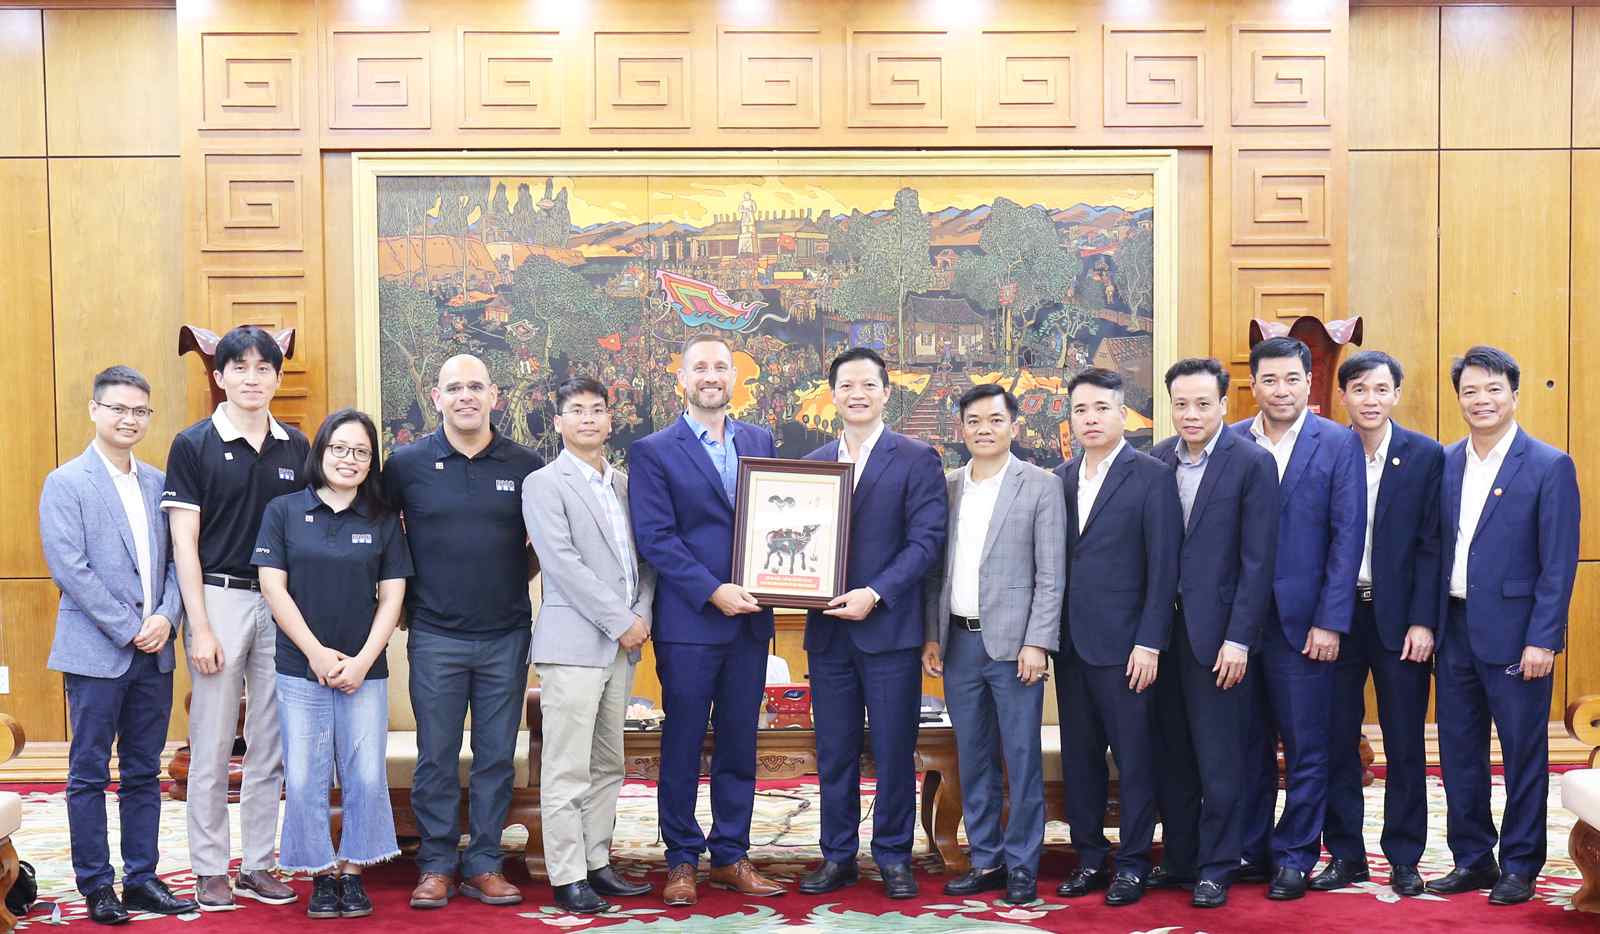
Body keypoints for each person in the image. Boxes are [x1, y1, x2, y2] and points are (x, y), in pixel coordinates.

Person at [628, 334, 785, 906]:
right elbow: (656, 539)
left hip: (749, 623)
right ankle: (681, 859)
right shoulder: (652, 450)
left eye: (721, 366)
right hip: (690, 623)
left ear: (734, 377)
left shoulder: (760, 440)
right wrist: (712, 590)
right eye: (700, 367)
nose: (711, 375)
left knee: (740, 742)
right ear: (682, 379)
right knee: (684, 743)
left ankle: (732, 855)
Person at [40, 366, 199, 924]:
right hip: (96, 651)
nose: (129, 419)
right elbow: (70, 568)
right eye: (118, 409)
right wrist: (129, 624)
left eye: (140, 411)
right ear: (94, 410)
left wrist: (165, 618)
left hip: (155, 650)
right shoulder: (66, 481)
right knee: (87, 772)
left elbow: (182, 561)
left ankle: (143, 877)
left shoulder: (159, 483)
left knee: (141, 771)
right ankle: (96, 885)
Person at [383, 354, 542, 909]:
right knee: (436, 755)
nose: (466, 396)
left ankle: (484, 863)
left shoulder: (526, 464)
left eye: (476, 386)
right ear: (437, 397)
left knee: (497, 754)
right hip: (434, 635)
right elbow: (384, 540)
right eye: (455, 387)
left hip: (505, 634)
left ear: (495, 395)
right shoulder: (406, 464)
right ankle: (435, 864)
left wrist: (502, 584)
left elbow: (540, 547)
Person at [162, 326, 309, 911]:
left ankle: (259, 863)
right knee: (215, 740)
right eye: (239, 368)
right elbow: (184, 543)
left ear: (277, 377)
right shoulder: (192, 443)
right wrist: (198, 626)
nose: (252, 378)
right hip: (218, 598)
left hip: (281, 601)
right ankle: (207, 868)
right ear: (219, 376)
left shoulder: (296, 446)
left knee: (270, 742)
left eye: (263, 368)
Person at [1427, 346, 1579, 906]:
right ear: (1459, 399)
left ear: (1514, 394)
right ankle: (1471, 859)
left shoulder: (1548, 465)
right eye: (1470, 391)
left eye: (1493, 389)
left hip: (1519, 636)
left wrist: (1544, 638)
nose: (1482, 400)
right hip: (1456, 628)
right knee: (1459, 752)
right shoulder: (1444, 462)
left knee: (1522, 754)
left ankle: (1520, 864)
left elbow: (1558, 564)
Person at [799, 348, 946, 901]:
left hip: (889, 631)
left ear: (887, 392)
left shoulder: (915, 458)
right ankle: (836, 856)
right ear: (831, 393)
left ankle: (892, 855)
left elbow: (927, 542)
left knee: (892, 749)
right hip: (829, 634)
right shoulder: (811, 462)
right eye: (846, 385)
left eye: (868, 384)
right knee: (834, 750)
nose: (856, 393)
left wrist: (875, 592)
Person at [253, 409, 412, 919]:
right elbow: (272, 586)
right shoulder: (283, 511)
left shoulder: (383, 520)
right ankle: (320, 873)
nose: (349, 459)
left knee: (365, 774)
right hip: (300, 668)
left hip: (364, 672)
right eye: (339, 448)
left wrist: (364, 660)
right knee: (304, 775)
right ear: (320, 452)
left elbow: (392, 598)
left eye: (361, 452)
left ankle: (353, 870)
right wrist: (316, 654)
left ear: (371, 463)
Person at [1228, 336, 1365, 900]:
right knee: (1248, 745)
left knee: (1307, 747)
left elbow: (1346, 538)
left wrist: (1331, 621)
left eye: (1291, 379)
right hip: (1240, 625)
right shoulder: (1230, 439)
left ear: (1309, 383)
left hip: (1305, 625)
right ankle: (1254, 850)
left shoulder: (1337, 444)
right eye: (1269, 380)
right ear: (1253, 385)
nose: (1280, 390)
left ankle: (1296, 854)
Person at [921, 384, 1064, 906]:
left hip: (1015, 649)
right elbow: (936, 571)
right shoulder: (948, 486)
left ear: (1014, 426)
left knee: (1021, 759)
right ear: (961, 429)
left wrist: (1038, 642)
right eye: (974, 421)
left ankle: (1023, 863)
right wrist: (932, 636)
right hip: (958, 644)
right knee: (973, 757)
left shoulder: (1040, 486)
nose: (984, 429)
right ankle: (986, 859)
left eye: (995, 420)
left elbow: (1051, 576)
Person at [522, 377, 657, 915]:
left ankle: (598, 862)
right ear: (558, 422)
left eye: (597, 410)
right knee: (566, 768)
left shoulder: (625, 485)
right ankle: (567, 874)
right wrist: (620, 619)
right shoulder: (544, 484)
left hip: (623, 645)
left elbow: (647, 560)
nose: (587, 419)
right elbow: (561, 564)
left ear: (609, 420)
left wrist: (640, 616)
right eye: (575, 410)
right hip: (573, 644)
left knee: (609, 764)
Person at [1149, 357, 1278, 909]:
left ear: (1225, 405)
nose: (1191, 413)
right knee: (1171, 751)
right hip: (1163, 634)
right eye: (1181, 403)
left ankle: (1218, 864)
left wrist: (1239, 639)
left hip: (1220, 636)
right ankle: (1179, 857)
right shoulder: (1156, 461)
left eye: (1203, 403)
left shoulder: (1252, 463)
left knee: (1219, 756)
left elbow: (1258, 562)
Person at [1052, 367, 1181, 907]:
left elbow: (1164, 568)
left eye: (1101, 408)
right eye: (1080, 410)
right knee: (1080, 759)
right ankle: (1088, 857)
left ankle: (1131, 863)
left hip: (1130, 649)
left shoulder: (1150, 476)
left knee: (1134, 760)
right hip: (1072, 646)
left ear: (1122, 413)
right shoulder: (1058, 478)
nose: (1090, 419)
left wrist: (1150, 642)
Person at [1314, 351, 1442, 897]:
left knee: (1406, 743)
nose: (1370, 399)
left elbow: (1433, 546)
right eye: (1359, 389)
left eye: (1380, 389)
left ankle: (1405, 857)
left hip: (1399, 623)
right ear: (1343, 396)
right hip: (1336, 621)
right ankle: (1345, 855)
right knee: (1334, 741)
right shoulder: (1322, 450)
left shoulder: (1424, 455)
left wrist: (1423, 622)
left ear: (1396, 395)